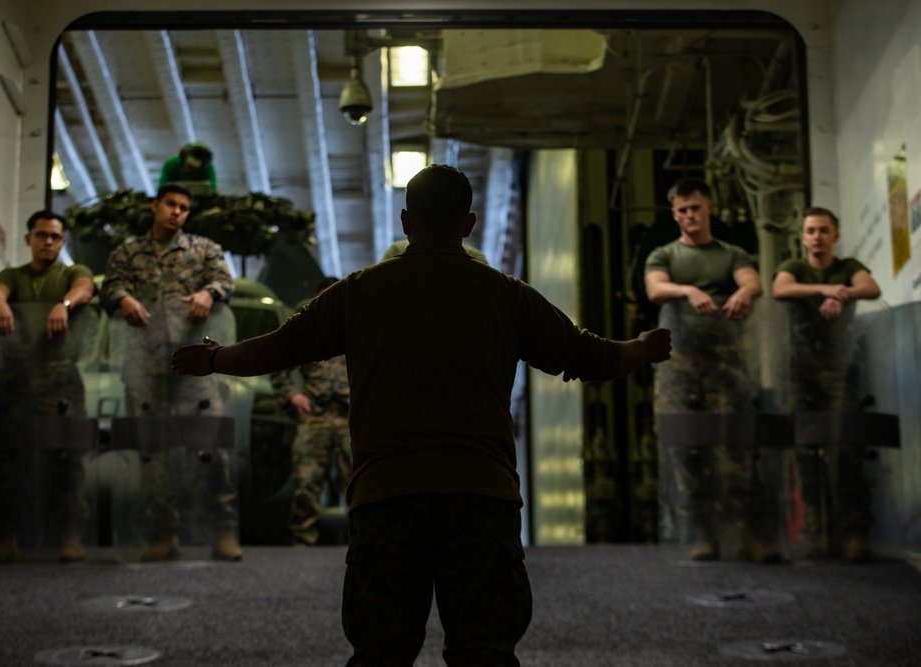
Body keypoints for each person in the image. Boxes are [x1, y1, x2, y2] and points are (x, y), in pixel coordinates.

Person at [172, 164, 672, 666]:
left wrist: (214, 358)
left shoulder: (358, 292)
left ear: (406, 222)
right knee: (485, 652)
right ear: (469, 224)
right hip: (481, 496)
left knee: (382, 652)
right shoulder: (507, 295)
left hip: (387, 496)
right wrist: (642, 348)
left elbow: (277, 350)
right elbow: (590, 357)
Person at [100, 182, 241, 562]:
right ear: (155, 206)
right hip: (145, 366)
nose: (177, 211)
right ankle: (163, 534)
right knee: (152, 453)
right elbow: (110, 286)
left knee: (211, 444)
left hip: (195, 365)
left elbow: (225, 280)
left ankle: (222, 530)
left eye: (183, 207)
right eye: (171, 204)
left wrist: (207, 294)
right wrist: (124, 298)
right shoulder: (128, 252)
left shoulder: (203, 249)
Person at [644, 176, 779, 563]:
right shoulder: (664, 255)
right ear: (674, 214)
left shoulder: (731, 253)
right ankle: (703, 534)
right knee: (689, 449)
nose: (690, 215)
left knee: (738, 445)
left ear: (709, 208)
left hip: (727, 361)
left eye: (696, 208)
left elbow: (752, 281)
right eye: (682, 210)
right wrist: (687, 290)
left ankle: (751, 534)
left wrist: (743, 292)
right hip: (681, 365)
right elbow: (655, 288)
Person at [0, 210, 97, 564]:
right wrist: (1, 305)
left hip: (61, 381)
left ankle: (70, 533)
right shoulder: (14, 276)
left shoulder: (69, 274)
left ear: (62, 242)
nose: (48, 242)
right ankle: (7, 536)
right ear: (28, 238)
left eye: (55, 237)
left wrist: (63, 305)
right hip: (19, 381)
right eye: (42, 235)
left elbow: (85, 288)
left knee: (68, 461)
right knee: (10, 460)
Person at [771, 206, 881, 563]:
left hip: (839, 373)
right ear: (802, 237)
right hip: (800, 374)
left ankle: (856, 532)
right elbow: (780, 289)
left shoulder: (847, 267)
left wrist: (843, 294)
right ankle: (818, 534)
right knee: (806, 454)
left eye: (823, 230)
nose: (816, 236)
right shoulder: (795, 268)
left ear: (835, 234)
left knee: (846, 451)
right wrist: (827, 289)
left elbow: (871, 287)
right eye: (810, 230)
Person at [271, 276, 352, 546]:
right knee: (306, 482)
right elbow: (278, 369)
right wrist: (293, 396)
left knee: (357, 485)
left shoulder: (356, 331)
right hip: (314, 417)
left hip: (349, 419)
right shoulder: (308, 333)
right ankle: (302, 543)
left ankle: (366, 544)